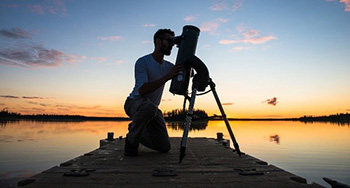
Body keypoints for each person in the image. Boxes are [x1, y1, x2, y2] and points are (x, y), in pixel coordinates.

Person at [124, 29, 183, 156]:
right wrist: (167, 77)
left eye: (173, 42)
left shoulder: (168, 66)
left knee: (164, 147)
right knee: (149, 107)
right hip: (134, 102)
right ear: (158, 41)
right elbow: (142, 90)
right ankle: (131, 144)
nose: (171, 45)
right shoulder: (143, 62)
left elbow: (182, 71)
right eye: (168, 41)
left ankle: (134, 130)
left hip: (152, 109)